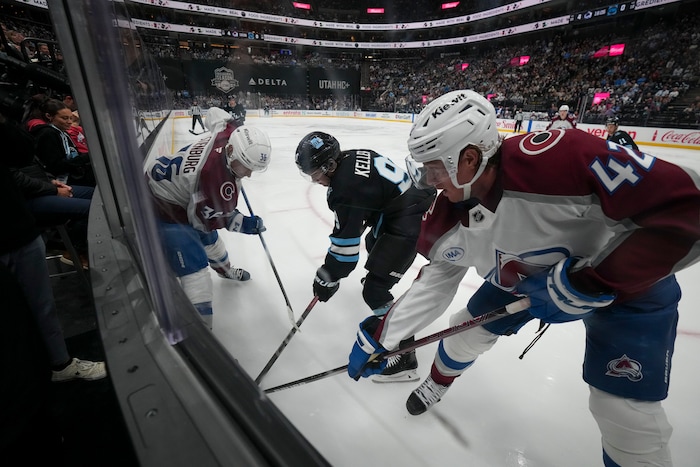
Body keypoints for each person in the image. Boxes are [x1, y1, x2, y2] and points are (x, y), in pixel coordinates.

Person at [346, 90, 700, 466]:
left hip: (628, 283)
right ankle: (438, 381)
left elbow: (686, 210)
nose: (429, 180)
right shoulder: (449, 213)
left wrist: (592, 282)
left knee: (624, 412)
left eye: (434, 168)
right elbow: (436, 282)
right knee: (465, 329)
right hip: (523, 280)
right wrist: (383, 336)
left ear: (468, 158)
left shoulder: (563, 158)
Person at [295, 131, 435, 382]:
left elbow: (346, 253)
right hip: (408, 207)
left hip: (409, 220)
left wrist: (329, 275)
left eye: (315, 173)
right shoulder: (352, 157)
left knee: (374, 290)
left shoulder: (344, 188)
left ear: (329, 165)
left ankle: (405, 356)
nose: (315, 180)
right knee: (373, 243)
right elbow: (368, 202)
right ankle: (385, 276)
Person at [0, 114, 105, 382]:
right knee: (38, 303)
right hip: (14, 228)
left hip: (18, 219)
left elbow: (20, 160)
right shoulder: (42, 133)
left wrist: (49, 184)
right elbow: (21, 151)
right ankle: (60, 363)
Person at [145, 107, 271, 328]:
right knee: (196, 270)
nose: (249, 175)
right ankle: (202, 338)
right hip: (162, 207)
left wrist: (229, 124)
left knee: (211, 242)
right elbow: (205, 224)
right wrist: (247, 224)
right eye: (245, 168)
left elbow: (214, 113)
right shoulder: (214, 181)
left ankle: (225, 271)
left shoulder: (228, 133)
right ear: (231, 152)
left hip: (176, 189)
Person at [30, 98, 96, 187]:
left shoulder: (62, 132)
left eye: (71, 118)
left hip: (75, 175)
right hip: (63, 181)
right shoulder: (48, 134)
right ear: (49, 116)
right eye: (65, 118)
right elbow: (56, 166)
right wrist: (86, 157)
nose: (69, 122)